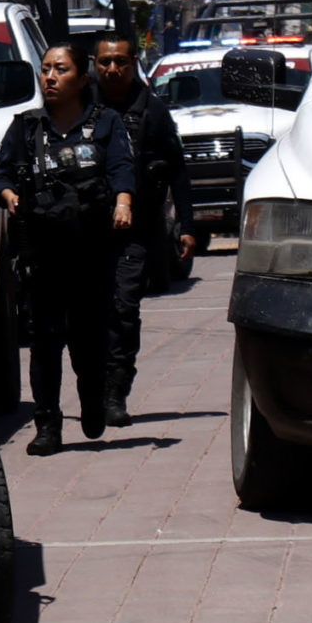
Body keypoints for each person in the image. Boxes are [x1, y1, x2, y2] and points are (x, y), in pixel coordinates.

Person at [0, 42, 134, 456]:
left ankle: (92, 400)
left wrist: (123, 202)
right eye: (46, 69)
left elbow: (122, 167)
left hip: (91, 252)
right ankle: (48, 425)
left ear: (82, 79)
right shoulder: (25, 128)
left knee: (89, 338)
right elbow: (0, 175)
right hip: (42, 253)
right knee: (44, 341)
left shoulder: (105, 123)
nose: (50, 77)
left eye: (61, 69)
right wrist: (9, 196)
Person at [93, 31, 197, 428]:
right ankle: (94, 389)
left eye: (121, 60)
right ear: (95, 65)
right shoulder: (79, 109)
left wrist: (187, 226)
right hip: (85, 232)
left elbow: (178, 170)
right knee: (87, 316)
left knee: (124, 310)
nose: (113, 69)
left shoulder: (152, 111)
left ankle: (115, 392)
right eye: (105, 62)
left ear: (134, 61)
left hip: (136, 232)